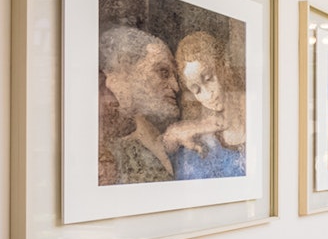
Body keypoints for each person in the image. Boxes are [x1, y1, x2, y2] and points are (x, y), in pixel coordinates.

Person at [98, 25, 181, 184]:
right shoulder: (106, 136)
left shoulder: (163, 136)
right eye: (163, 72)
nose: (176, 87)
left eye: (175, 76)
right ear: (126, 67)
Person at [164, 31, 246, 179]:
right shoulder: (200, 131)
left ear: (223, 66)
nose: (208, 94)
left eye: (209, 79)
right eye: (197, 90)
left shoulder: (251, 106)